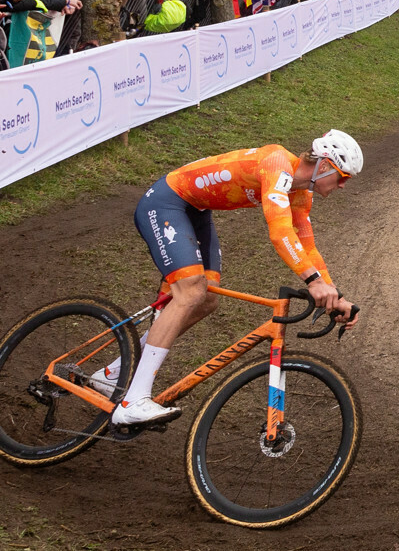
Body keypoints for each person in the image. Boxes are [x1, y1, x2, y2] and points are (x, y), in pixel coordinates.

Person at [94, 133, 365, 427]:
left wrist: (333, 293)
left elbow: (306, 244)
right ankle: (132, 401)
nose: (342, 185)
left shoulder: (300, 193)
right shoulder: (276, 163)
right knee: (190, 292)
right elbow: (280, 233)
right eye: (342, 177)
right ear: (324, 165)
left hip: (195, 210)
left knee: (207, 299)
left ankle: (113, 374)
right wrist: (313, 282)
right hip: (166, 203)